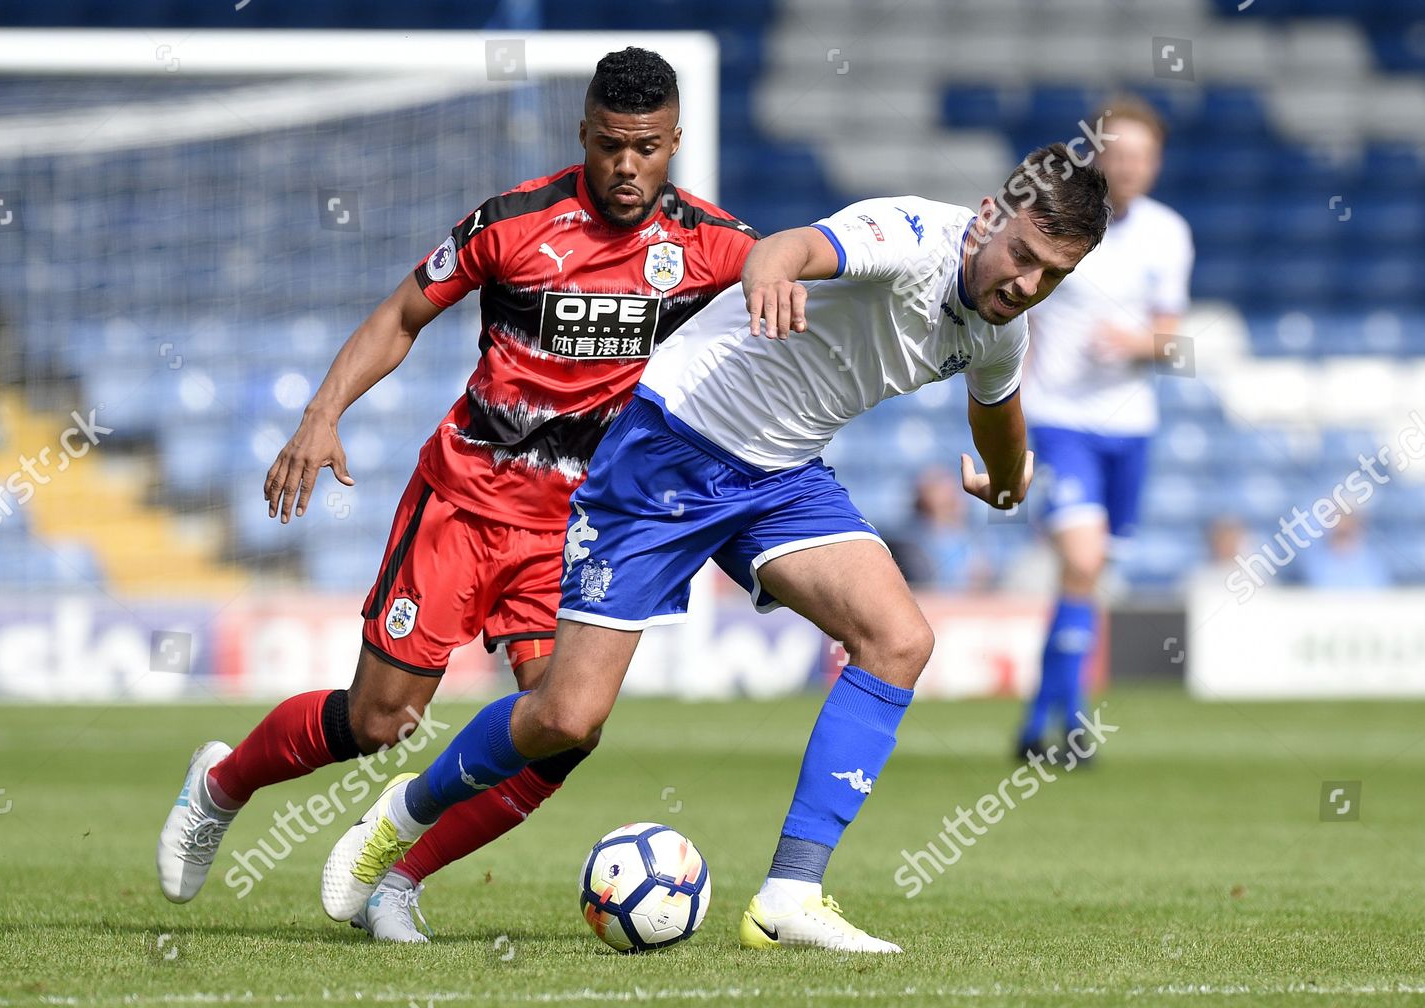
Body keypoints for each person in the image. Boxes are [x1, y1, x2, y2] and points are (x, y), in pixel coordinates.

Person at [321, 143, 1110, 952]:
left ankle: (789, 896)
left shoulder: (1000, 332)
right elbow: (795, 247)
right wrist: (769, 274)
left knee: (900, 640)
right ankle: (399, 819)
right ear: (989, 217)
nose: (1026, 286)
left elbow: (999, 419)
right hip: (670, 446)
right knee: (566, 716)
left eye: (1052, 276)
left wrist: (1010, 485)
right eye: (1022, 257)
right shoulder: (909, 236)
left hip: (779, 477)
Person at [156, 47, 758, 943]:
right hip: (463, 505)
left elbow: (803, 294)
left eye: (649, 148)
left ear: (676, 142)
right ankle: (221, 785)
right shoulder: (513, 222)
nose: (627, 167)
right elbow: (403, 315)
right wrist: (322, 415)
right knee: (381, 719)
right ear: (583, 134)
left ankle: (398, 878)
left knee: (568, 726)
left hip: (575, 531)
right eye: (610, 145)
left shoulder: (711, 246)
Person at [1012, 96, 1193, 761]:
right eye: (1117, 152)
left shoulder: (1169, 234)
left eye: (1142, 155)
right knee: (1083, 562)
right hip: (1060, 420)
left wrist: (1143, 343)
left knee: (1088, 576)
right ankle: (1076, 725)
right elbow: (1017, 311)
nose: (1130, 165)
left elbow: (1176, 343)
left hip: (1131, 430)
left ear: (1156, 163)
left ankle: (1038, 726)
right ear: (1097, 155)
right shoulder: (1062, 220)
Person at [893, 466, 999, 590]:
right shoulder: (912, 545)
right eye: (941, 489)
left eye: (954, 490)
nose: (952, 495)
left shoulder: (978, 539)